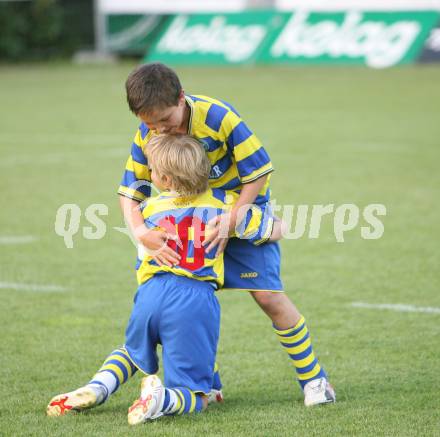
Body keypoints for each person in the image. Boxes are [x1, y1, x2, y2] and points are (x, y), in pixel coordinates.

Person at [47, 62, 335, 414]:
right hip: (186, 217)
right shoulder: (148, 131)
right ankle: (206, 385)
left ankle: (314, 379)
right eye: (148, 124)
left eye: (164, 121)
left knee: (268, 297)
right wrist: (141, 232)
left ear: (181, 98)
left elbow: (258, 172)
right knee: (186, 303)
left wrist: (235, 218)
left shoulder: (219, 117)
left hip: (234, 212)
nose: (157, 130)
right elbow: (130, 190)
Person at [47, 134, 279, 423]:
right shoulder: (225, 206)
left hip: (150, 293)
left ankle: (99, 386)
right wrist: (248, 225)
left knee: (133, 351)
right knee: (197, 396)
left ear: (165, 180)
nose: (149, 174)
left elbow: (142, 247)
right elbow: (276, 229)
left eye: (152, 170)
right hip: (193, 298)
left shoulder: (148, 211)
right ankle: (162, 398)